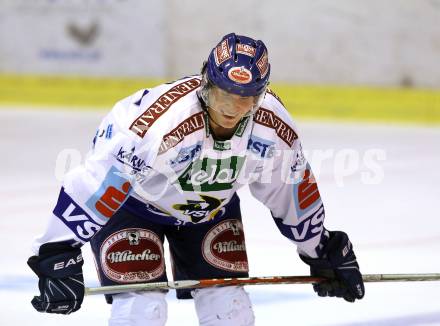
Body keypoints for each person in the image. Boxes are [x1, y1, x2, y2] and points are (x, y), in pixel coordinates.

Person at [27, 33, 364, 326]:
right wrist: (56, 253)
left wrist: (321, 249)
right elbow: (99, 185)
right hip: (134, 206)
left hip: (211, 210)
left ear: (261, 95)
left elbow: (289, 192)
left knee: (230, 310)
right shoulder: (154, 127)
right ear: (206, 82)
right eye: (224, 93)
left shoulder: (274, 128)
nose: (232, 108)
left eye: (245, 97)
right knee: (142, 311)